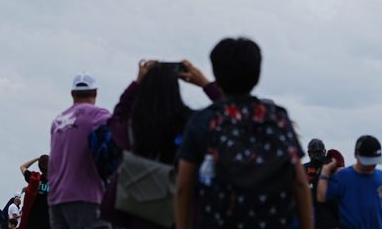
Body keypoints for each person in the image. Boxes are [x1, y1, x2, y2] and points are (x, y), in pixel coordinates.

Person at [175, 37, 313, 229]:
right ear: (257, 74)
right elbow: (299, 182)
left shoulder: (204, 121)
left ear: (216, 72)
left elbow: (184, 187)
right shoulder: (277, 117)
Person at [104, 59, 221, 228]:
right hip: (179, 211)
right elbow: (228, 115)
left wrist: (136, 84)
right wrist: (205, 84)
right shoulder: (191, 123)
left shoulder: (134, 126)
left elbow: (117, 117)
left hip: (138, 210)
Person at [48, 72, 111, 229]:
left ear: (72, 94)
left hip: (57, 199)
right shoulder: (98, 115)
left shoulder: (58, 121)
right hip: (86, 196)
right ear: (95, 92)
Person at [317, 135, 382, 228]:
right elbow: (321, 197)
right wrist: (325, 172)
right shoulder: (343, 177)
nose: (372, 165)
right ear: (356, 155)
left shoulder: (380, 176)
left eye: (374, 161)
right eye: (367, 161)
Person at [18, 156, 49, 229]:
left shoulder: (34, 179)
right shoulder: (57, 182)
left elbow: (22, 167)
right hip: (49, 220)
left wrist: (37, 159)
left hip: (33, 220)